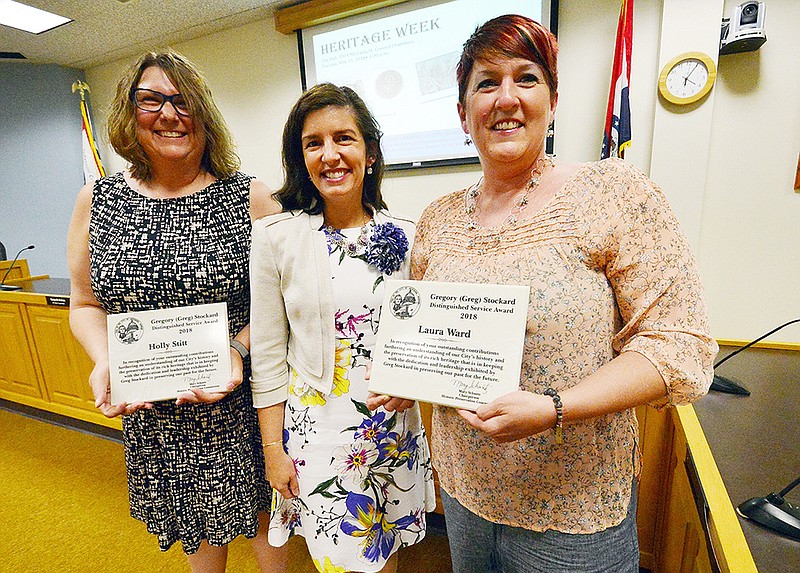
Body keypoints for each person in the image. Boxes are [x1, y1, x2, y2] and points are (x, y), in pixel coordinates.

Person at [399, 14, 718, 573]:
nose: (506, 98)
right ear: (462, 112)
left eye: (526, 78)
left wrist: (554, 409)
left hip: (574, 508)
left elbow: (678, 345)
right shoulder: (438, 220)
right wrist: (406, 377)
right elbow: (422, 330)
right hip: (466, 493)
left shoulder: (614, 193)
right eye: (486, 82)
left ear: (551, 101)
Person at [66, 51, 286, 573]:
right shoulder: (97, 200)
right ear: (128, 114)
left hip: (245, 402)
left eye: (183, 101)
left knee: (268, 524)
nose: (169, 114)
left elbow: (285, 303)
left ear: (204, 115)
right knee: (195, 530)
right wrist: (104, 360)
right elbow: (84, 304)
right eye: (151, 101)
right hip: (157, 410)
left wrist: (237, 347)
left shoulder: (248, 197)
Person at [249, 83, 435, 573]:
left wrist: (415, 382)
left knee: (383, 550)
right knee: (338, 558)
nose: (330, 155)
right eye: (314, 143)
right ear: (301, 158)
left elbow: (426, 341)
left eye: (344, 139)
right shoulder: (276, 239)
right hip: (320, 434)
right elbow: (267, 359)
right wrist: (273, 451)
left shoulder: (410, 236)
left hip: (392, 429)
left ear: (369, 153)